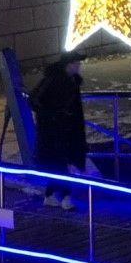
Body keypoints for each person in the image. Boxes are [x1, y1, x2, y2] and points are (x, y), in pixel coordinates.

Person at [31, 52, 89, 209]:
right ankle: (65, 197)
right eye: (76, 63)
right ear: (68, 65)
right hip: (56, 131)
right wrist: (54, 115)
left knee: (59, 163)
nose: (79, 66)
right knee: (62, 162)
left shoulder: (70, 81)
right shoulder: (56, 80)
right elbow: (34, 100)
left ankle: (50, 195)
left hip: (65, 129)